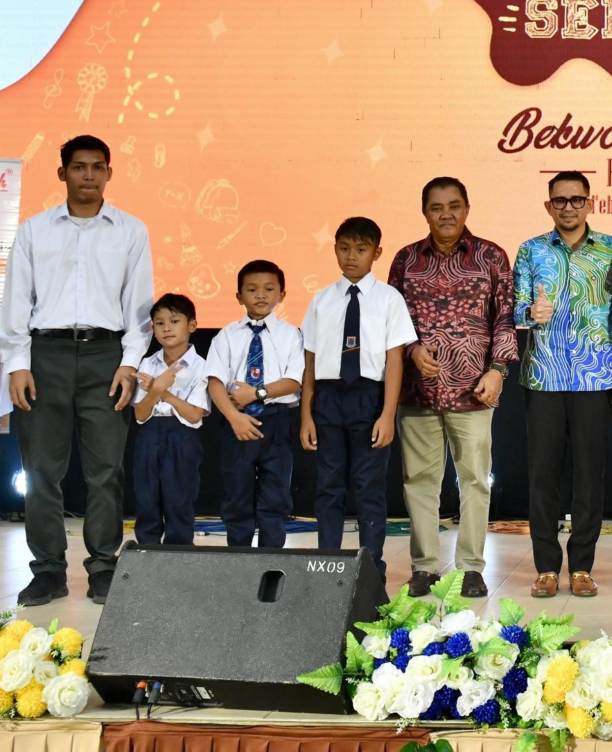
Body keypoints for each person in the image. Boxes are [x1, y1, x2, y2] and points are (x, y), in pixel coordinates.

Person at [0, 135, 154, 606]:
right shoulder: (34, 230)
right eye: (79, 166)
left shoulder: (131, 230)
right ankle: (48, 571)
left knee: (105, 470)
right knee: (41, 470)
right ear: (62, 173)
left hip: (106, 356)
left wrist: (129, 364)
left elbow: (140, 307)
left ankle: (104, 568)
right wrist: (17, 364)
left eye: (98, 167)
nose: (89, 175)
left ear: (109, 173)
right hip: (44, 355)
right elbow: (16, 301)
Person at [389, 178, 516, 599]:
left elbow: (505, 316)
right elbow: (393, 322)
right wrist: (411, 350)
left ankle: (471, 568)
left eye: (454, 205)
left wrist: (498, 369)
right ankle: (424, 568)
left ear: (467, 208)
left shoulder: (491, 256)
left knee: (475, 481)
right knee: (419, 482)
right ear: (424, 211)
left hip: (474, 389)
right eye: (437, 207)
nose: (446, 214)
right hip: (417, 391)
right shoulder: (406, 260)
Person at [512, 171, 612, 598]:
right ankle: (546, 568)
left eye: (576, 199)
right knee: (543, 477)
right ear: (549, 206)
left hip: (596, 376)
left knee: (590, 476)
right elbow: (515, 308)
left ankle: (581, 567)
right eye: (559, 200)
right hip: (544, 375)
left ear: (589, 203)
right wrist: (530, 312)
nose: (568, 207)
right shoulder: (531, 250)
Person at [302, 217, 417, 581]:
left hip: (370, 397)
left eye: (361, 249)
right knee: (328, 486)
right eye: (344, 248)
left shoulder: (389, 299)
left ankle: (371, 570)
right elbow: (310, 361)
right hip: (328, 397)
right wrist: (306, 416)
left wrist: (387, 414)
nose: (351, 256)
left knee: (369, 488)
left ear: (377, 253)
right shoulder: (322, 300)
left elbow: (395, 360)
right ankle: (327, 565)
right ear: (335, 249)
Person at [205, 261, 305, 548]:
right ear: (239, 296)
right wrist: (234, 418)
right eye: (251, 289)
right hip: (237, 421)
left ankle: (271, 557)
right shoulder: (227, 335)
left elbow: (294, 381)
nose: (260, 295)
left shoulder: (291, 334)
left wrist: (257, 393)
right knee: (237, 493)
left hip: (276, 420)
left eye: (269, 289)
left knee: (275, 494)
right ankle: (239, 557)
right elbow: (214, 381)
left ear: (282, 295)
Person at [131, 293, 209, 545]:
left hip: (183, 436)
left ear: (192, 325)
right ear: (153, 329)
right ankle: (147, 551)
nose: (167, 328)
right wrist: (155, 390)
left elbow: (194, 414)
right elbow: (140, 414)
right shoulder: (147, 363)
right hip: (149, 434)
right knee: (146, 497)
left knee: (179, 498)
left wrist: (160, 391)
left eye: (174, 321)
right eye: (160, 323)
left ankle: (178, 554)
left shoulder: (201, 366)